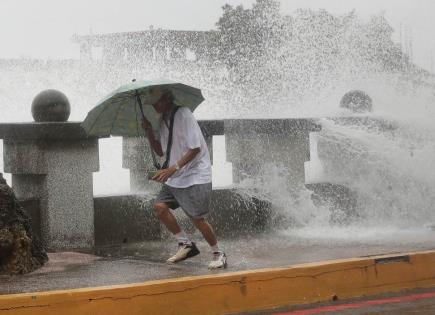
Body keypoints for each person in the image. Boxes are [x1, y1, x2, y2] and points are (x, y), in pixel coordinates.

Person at [141, 91, 227, 269]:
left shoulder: (184, 114)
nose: (154, 107)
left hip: (195, 174)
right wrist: (149, 131)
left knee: (197, 218)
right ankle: (186, 244)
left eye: (156, 102)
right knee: (160, 207)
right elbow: (160, 151)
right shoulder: (161, 121)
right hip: (175, 177)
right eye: (152, 104)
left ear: (166, 98)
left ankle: (219, 253)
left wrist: (173, 168)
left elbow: (195, 148)